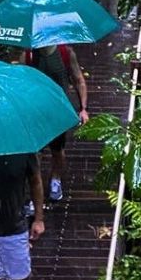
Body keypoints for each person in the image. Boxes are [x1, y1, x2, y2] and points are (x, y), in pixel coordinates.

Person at [25, 44, 89, 201]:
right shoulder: (29, 55)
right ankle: (35, 190)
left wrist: (83, 109)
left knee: (57, 150)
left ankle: (55, 179)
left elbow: (78, 79)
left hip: (58, 110)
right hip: (35, 110)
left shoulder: (65, 52)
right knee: (35, 152)